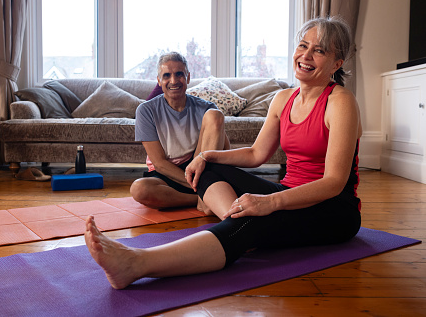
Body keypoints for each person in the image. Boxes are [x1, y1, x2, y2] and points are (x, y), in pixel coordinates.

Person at [84, 16, 362, 290]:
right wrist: (206, 156)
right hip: (289, 192)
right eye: (303, 46)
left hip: (334, 208)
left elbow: (334, 182)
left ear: (337, 64)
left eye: (319, 50)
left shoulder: (340, 102)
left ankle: (136, 263)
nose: (306, 55)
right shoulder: (283, 99)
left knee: (252, 221)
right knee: (209, 170)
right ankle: (239, 222)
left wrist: (270, 203)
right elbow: (256, 154)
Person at [130, 52, 230, 209]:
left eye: (179, 74)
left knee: (215, 115)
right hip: (167, 173)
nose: (173, 81)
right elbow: (160, 163)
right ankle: (200, 199)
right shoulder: (145, 110)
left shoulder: (207, 108)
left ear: (188, 77)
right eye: (167, 75)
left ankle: (207, 194)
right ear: (159, 80)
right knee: (139, 189)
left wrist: (201, 175)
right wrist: (197, 185)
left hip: (199, 168)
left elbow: (224, 150)